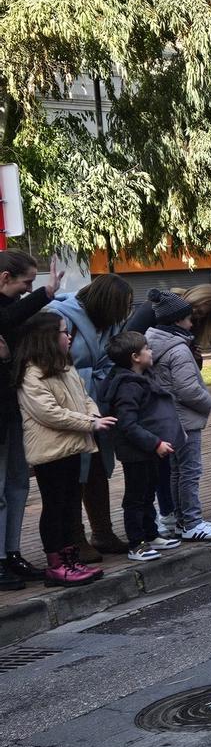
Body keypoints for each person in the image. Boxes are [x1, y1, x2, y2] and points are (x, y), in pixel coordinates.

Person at [14, 313, 113, 587]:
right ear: (47, 338)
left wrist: (93, 415)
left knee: (70, 506)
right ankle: (56, 564)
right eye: (63, 332)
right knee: (55, 506)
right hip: (50, 452)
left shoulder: (65, 366)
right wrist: (90, 423)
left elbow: (84, 397)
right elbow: (48, 413)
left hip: (72, 447)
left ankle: (71, 558)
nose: (69, 337)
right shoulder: (32, 373)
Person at [47, 274, 133, 560]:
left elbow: (109, 358)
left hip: (97, 403)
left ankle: (103, 532)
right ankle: (74, 537)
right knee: (74, 472)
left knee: (97, 467)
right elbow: (50, 362)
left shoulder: (109, 323)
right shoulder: (60, 316)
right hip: (68, 403)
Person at [0, 251, 65, 589]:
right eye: (26, 282)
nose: (29, 290)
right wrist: (46, 293)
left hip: (11, 409)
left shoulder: (12, 313)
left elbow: (13, 324)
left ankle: (11, 553)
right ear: (4, 278)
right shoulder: (8, 312)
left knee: (18, 485)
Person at [145, 289, 211, 541]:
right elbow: (188, 389)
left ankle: (181, 519)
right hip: (186, 420)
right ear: (178, 320)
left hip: (170, 419)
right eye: (189, 318)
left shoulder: (155, 343)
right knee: (189, 472)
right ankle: (192, 521)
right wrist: (207, 402)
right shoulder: (178, 350)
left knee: (177, 472)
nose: (193, 323)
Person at [103, 332, 185, 562]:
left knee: (149, 492)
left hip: (149, 450)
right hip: (136, 452)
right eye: (147, 349)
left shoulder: (143, 378)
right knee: (136, 496)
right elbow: (127, 424)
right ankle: (136, 542)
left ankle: (151, 533)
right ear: (135, 357)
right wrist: (155, 442)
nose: (151, 351)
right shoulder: (128, 386)